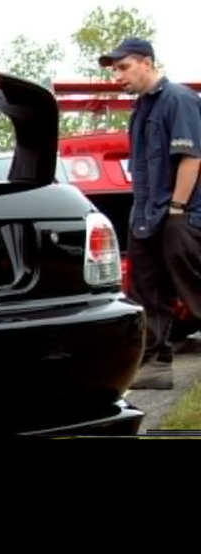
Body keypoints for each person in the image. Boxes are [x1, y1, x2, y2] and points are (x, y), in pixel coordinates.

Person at [99, 38, 201, 389]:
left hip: (179, 214)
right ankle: (156, 365)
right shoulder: (141, 108)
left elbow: (192, 158)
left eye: (123, 67)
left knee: (193, 284)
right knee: (148, 292)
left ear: (147, 62)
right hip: (146, 216)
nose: (118, 76)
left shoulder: (179, 99)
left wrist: (177, 209)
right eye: (115, 70)